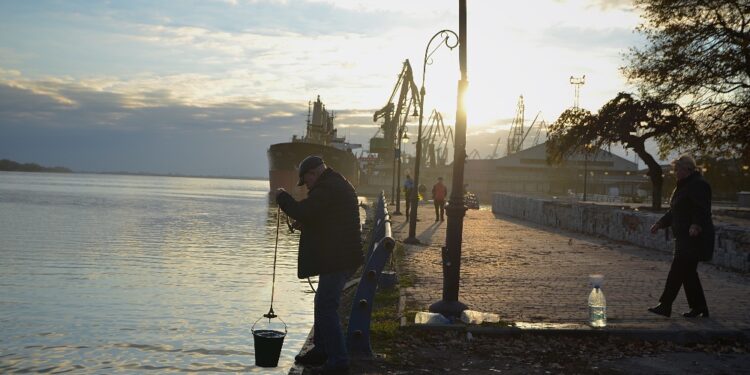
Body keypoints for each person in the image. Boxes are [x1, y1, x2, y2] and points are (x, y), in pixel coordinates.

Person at [275, 155, 362, 375]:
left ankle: (338, 361)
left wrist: (283, 198)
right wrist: (308, 223)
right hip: (340, 255)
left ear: (313, 173)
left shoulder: (327, 187)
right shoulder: (334, 184)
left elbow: (304, 210)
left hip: (339, 258)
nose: (307, 186)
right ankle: (322, 350)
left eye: (306, 181)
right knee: (321, 302)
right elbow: (326, 218)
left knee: (326, 306)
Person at [648, 154, 714, 318]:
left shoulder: (698, 185)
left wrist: (696, 225)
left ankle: (665, 305)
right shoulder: (684, 185)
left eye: (677, 169)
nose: (675, 172)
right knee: (688, 273)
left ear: (687, 169)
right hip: (684, 237)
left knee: (677, 271)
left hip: (694, 237)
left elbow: (702, 208)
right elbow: (675, 211)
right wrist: (660, 224)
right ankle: (700, 307)